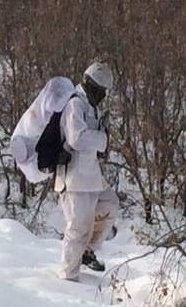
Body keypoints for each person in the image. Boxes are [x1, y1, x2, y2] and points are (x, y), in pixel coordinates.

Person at [54, 62, 118, 281]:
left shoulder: (92, 107)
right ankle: (68, 277)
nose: (102, 96)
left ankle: (87, 251)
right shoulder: (75, 105)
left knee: (109, 204)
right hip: (74, 178)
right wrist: (102, 140)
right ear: (92, 86)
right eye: (101, 92)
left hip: (90, 175)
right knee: (77, 228)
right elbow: (77, 138)